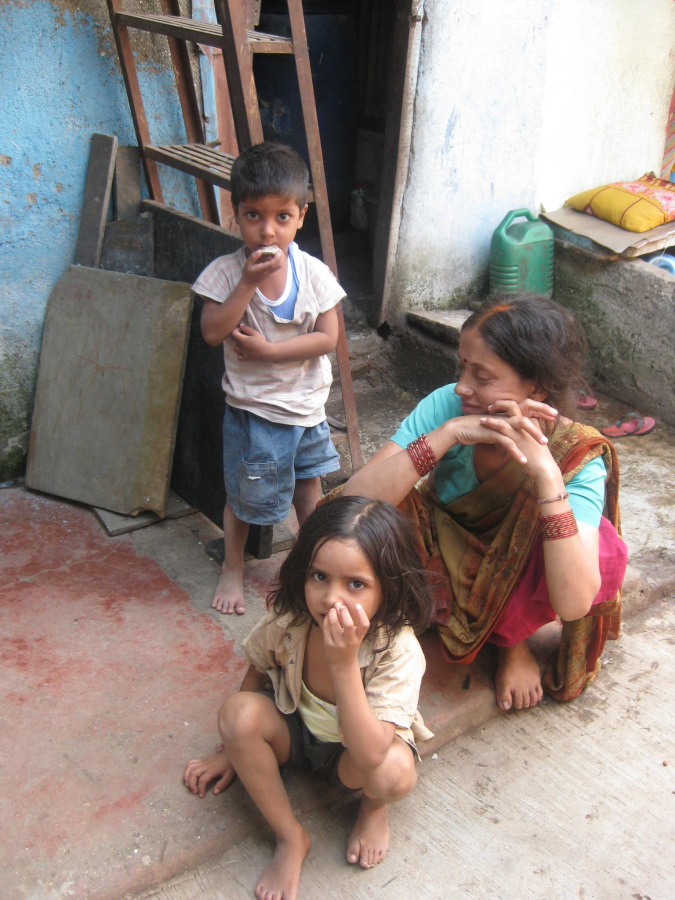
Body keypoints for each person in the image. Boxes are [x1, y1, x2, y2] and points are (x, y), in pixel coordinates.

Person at [342, 294, 627, 712]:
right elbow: (351, 501)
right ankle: (456, 619)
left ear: (537, 387)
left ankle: (510, 640)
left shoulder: (575, 456)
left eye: (482, 376)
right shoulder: (449, 405)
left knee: (583, 539)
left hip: (511, 576)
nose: (462, 386)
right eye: (462, 366)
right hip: (441, 552)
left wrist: (547, 475)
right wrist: (448, 435)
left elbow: (574, 602)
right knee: (375, 513)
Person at [183, 495, 433, 900]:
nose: (331, 598)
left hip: (356, 759)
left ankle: (373, 809)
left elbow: (370, 754)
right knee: (236, 715)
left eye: (356, 584)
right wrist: (232, 750)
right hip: (294, 731)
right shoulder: (293, 618)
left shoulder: (398, 650)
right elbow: (258, 668)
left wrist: (344, 663)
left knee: (394, 773)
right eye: (319, 576)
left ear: (388, 588)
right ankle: (290, 837)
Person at [192, 142, 345, 616]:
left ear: (301, 216)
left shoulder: (313, 273)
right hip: (255, 415)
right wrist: (248, 283)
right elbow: (212, 332)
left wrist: (270, 351)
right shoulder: (225, 274)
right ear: (235, 213)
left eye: (282, 217)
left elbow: (328, 337)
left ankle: (311, 568)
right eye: (254, 215)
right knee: (243, 501)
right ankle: (233, 566)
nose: (267, 230)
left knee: (309, 493)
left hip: (308, 411)